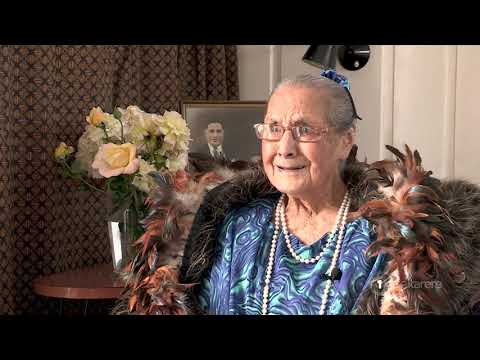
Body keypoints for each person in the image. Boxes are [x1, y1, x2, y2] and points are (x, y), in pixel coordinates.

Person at [115, 72, 480, 315]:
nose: (284, 147)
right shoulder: (235, 224)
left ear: (345, 141)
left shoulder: (385, 239)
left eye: (303, 129)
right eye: (273, 128)